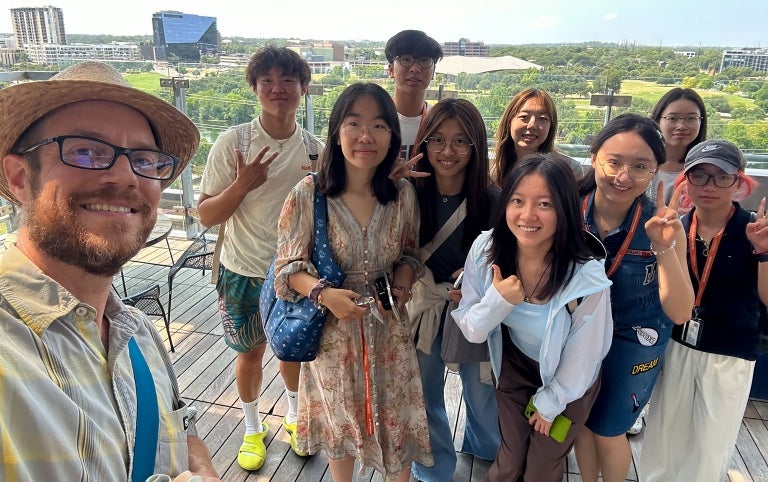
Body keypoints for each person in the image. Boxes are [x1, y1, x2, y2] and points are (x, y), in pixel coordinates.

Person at [0, 61, 219, 481]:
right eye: (85, 151)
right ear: (19, 178)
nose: (125, 176)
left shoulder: (135, 331)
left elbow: (181, 429)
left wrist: (204, 470)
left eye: (145, 159)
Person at [273, 82, 432, 482]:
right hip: (332, 335)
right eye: (354, 123)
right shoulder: (308, 194)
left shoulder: (401, 194)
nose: (366, 136)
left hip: (389, 331)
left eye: (379, 125)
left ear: (393, 136)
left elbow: (411, 252)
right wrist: (324, 295)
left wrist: (402, 280)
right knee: (338, 425)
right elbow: (286, 268)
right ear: (336, 131)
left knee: (397, 421)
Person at [197, 46, 323, 470]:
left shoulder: (313, 150)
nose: (278, 89)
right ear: (254, 88)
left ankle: (292, 415)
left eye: (288, 80)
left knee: (291, 351)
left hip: (294, 276)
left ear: (304, 88)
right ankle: (252, 428)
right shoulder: (235, 143)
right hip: (242, 269)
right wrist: (242, 184)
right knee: (248, 353)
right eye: (267, 80)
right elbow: (206, 214)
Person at [452, 154, 613, 481]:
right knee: (509, 460)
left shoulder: (586, 277)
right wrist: (498, 302)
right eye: (517, 201)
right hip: (515, 368)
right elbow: (472, 329)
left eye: (544, 204)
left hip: (569, 384)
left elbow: (585, 355)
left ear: (565, 210)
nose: (527, 215)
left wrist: (550, 403)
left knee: (541, 467)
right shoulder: (487, 250)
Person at [573, 114, 694, 482]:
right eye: (614, 162)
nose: (624, 177)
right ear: (594, 158)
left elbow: (680, 311)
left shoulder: (664, 225)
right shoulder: (566, 210)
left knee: (609, 430)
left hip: (636, 336)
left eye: (640, 167)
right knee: (580, 424)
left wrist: (664, 249)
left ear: (655, 170)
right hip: (577, 330)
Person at [639, 140, 768, 482]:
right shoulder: (675, 226)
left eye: (721, 176)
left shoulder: (755, 229)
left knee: (710, 447)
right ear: (686, 180)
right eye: (699, 176)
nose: (709, 186)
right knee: (664, 439)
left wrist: (764, 254)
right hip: (678, 345)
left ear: (739, 182)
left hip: (730, 355)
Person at [407, 98, 500, 481]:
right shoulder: (406, 192)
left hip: (473, 311)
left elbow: (506, 259)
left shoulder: (493, 200)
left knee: (482, 393)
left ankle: (488, 451)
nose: (448, 151)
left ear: (476, 146)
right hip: (424, 309)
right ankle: (433, 470)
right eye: (438, 140)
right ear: (424, 143)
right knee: (424, 395)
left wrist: (480, 278)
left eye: (461, 141)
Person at [492, 88, 583, 186]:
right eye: (524, 117)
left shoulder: (570, 170)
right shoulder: (493, 171)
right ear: (509, 121)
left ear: (551, 126)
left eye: (542, 118)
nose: (532, 125)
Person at [385, 29, 443, 160]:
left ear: (433, 71)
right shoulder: (376, 118)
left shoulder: (439, 120)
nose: (415, 68)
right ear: (391, 69)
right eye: (406, 59)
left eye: (425, 60)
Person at [649, 87, 708, 203]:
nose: (681, 126)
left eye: (691, 118)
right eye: (672, 118)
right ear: (657, 120)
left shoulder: (709, 169)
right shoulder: (639, 164)